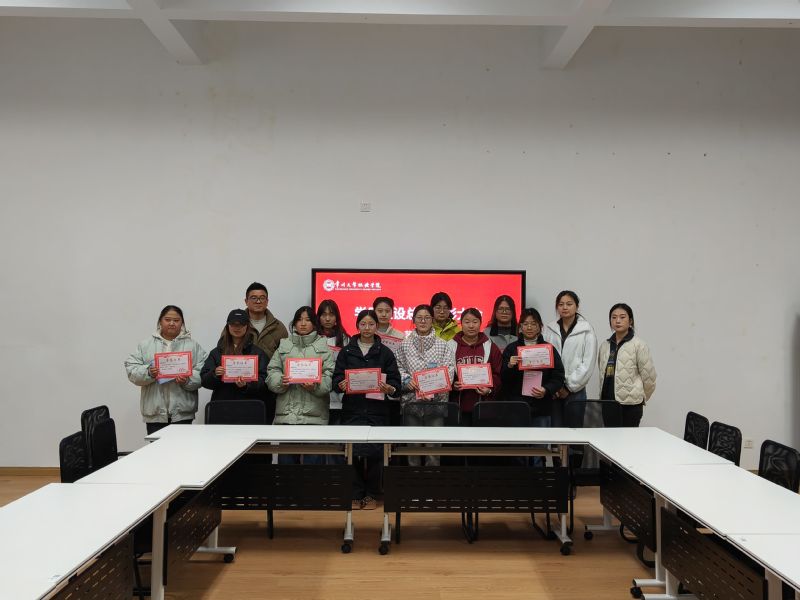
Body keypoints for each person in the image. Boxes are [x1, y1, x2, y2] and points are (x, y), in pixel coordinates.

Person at [332, 309, 401, 510]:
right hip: (352, 409)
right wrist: (341, 384)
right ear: (357, 326)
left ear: (376, 326)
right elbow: (336, 379)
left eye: (371, 324)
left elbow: (395, 383)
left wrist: (389, 388)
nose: (367, 328)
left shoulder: (385, 352)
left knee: (376, 454)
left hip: (377, 410)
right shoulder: (346, 351)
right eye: (363, 324)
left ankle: (371, 495)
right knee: (351, 452)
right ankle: (355, 494)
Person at [266, 306, 334, 464]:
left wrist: (315, 386)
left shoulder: (324, 347)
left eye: (308, 320)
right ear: (294, 323)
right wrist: (281, 381)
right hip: (287, 416)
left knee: (313, 465)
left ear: (314, 324)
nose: (303, 323)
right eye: (299, 320)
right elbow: (272, 371)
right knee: (286, 465)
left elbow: (330, 376)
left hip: (315, 417)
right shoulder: (284, 345)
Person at [125, 305, 207, 434]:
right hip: (154, 414)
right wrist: (149, 372)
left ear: (182, 323)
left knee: (182, 447)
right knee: (157, 448)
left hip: (182, 414)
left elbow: (204, 372)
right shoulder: (145, 345)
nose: (172, 323)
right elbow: (131, 369)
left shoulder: (193, 346)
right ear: (160, 321)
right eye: (167, 319)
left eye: (176, 320)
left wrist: (187, 380)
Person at [395, 304, 456, 466]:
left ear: (432, 320)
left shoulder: (443, 345)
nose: (423, 321)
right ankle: (413, 479)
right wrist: (406, 380)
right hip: (411, 403)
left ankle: (432, 479)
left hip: (436, 404)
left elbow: (450, 369)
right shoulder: (404, 345)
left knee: (433, 450)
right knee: (412, 449)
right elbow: (397, 367)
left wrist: (435, 386)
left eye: (427, 318)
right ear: (413, 320)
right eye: (419, 318)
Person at [501, 308, 565, 428]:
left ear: (540, 327)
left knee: (541, 440)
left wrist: (546, 389)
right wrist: (509, 366)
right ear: (520, 327)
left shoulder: (548, 349)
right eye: (525, 324)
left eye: (533, 324)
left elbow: (558, 376)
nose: (529, 327)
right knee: (517, 439)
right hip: (517, 406)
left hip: (542, 406)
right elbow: (503, 379)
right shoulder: (511, 349)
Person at [542, 291, 597, 427]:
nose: (565, 307)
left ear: (577, 306)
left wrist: (567, 387)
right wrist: (553, 385)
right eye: (561, 304)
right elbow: (544, 358)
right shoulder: (549, 329)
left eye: (569, 304)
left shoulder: (587, 330)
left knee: (574, 433)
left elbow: (588, 364)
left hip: (576, 391)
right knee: (555, 432)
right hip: (554, 391)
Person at [598, 303, 656, 427]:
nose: (617, 320)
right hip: (608, 402)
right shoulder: (605, 345)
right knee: (608, 437)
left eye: (622, 317)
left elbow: (649, 378)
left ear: (630, 321)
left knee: (629, 438)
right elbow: (601, 371)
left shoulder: (639, 345)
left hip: (630, 405)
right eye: (614, 317)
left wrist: (639, 397)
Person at [200, 309, 269, 406]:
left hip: (249, 406)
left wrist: (247, 385)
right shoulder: (217, 352)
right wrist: (215, 374)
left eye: (241, 324)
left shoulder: (258, 353)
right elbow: (204, 381)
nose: (237, 328)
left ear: (247, 326)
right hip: (221, 405)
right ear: (227, 326)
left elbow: (265, 381)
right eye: (233, 324)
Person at [449, 308, 503, 426]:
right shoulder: (450, 346)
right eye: (467, 322)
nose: (471, 326)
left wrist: (489, 389)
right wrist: (453, 385)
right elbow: (445, 372)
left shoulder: (490, 346)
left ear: (480, 323)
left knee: (482, 437)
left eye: (475, 321)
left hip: (484, 406)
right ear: (461, 324)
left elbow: (498, 373)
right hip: (458, 406)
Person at [317, 299, 350, 429]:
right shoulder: (313, 338)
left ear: (336, 317)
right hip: (317, 393)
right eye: (324, 315)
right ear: (318, 317)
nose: (327, 319)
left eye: (331, 314)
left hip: (338, 397)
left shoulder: (346, 339)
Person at [239, 282, 289, 362]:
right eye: (254, 298)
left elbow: (286, 356)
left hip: (269, 370)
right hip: (242, 369)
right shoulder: (235, 325)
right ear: (246, 301)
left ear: (267, 301)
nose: (258, 301)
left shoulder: (278, 327)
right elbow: (223, 350)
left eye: (262, 298)